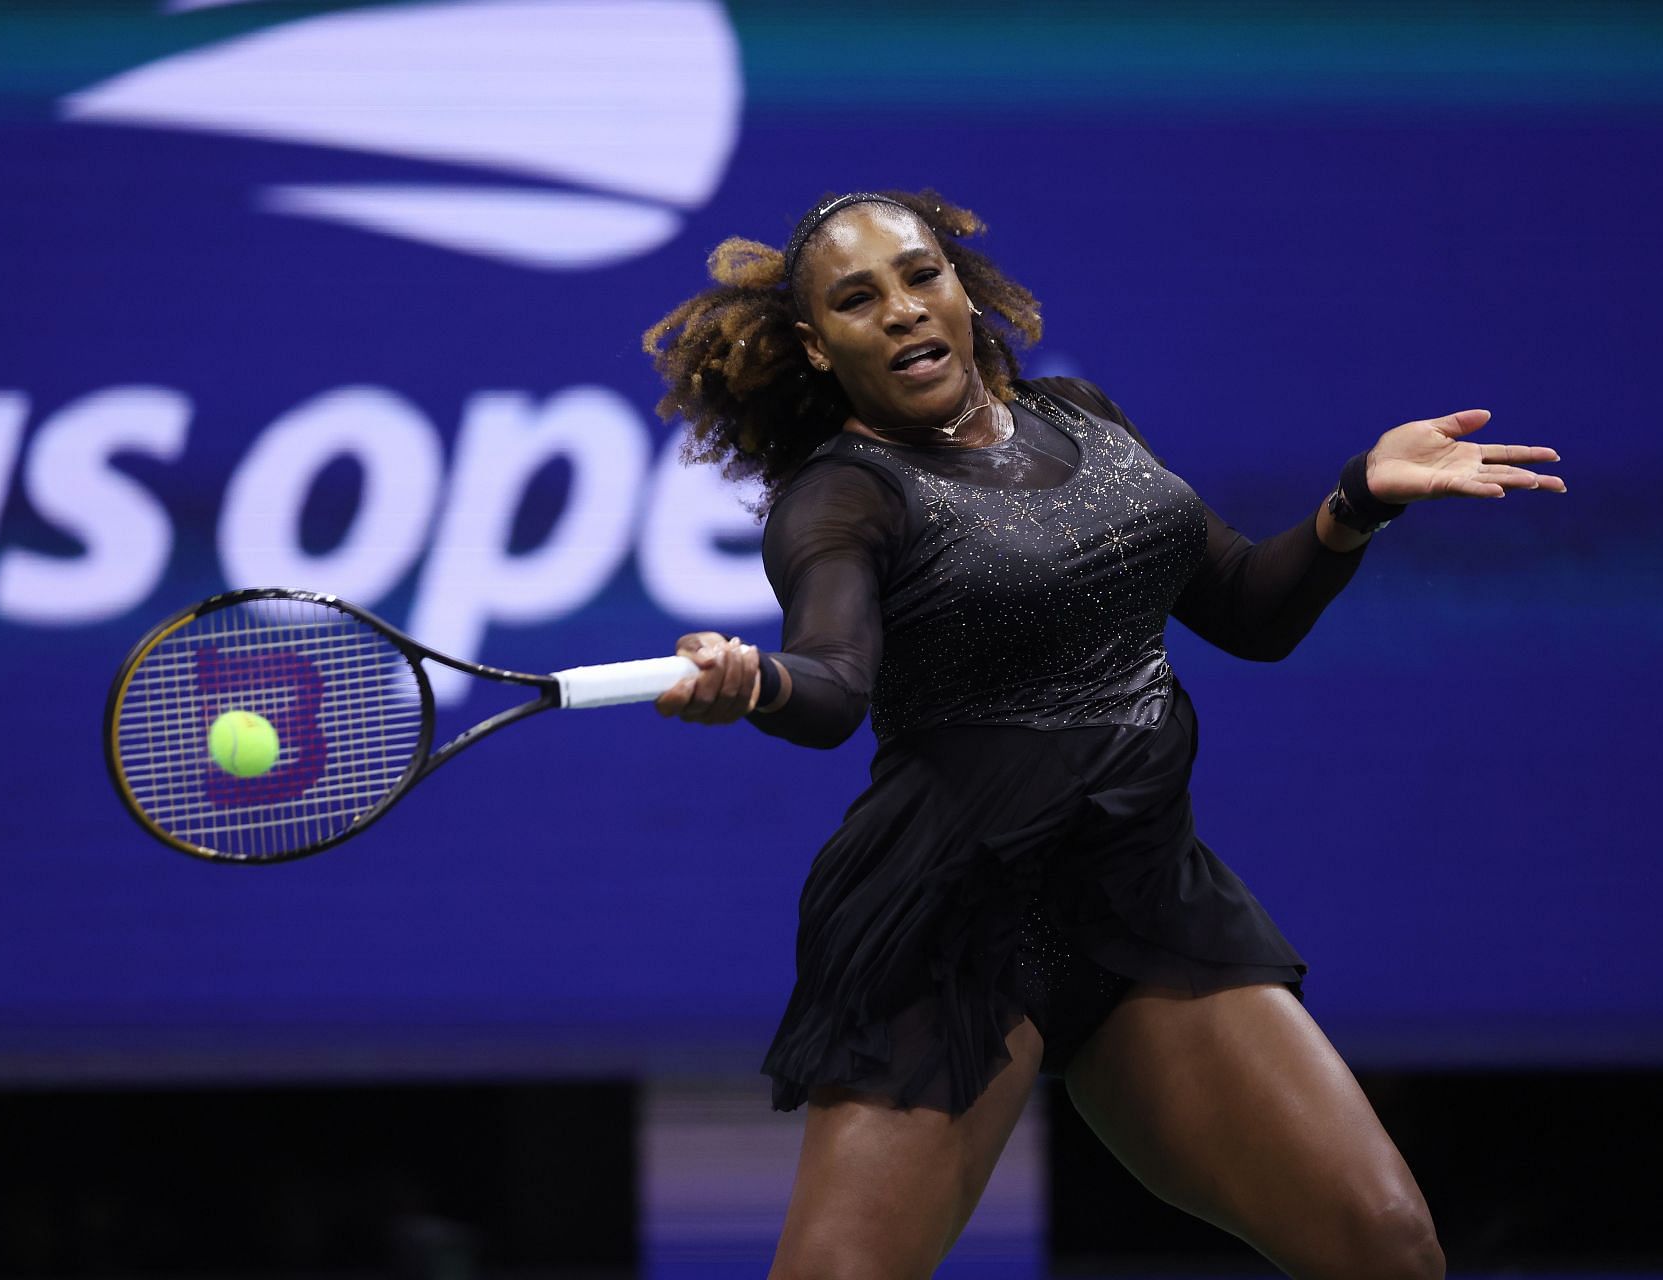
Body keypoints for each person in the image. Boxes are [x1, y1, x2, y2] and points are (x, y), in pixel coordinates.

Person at [640, 190, 1565, 1280]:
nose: (900, 310)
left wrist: (1357, 499)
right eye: (857, 298)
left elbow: (1247, 609)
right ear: (817, 342)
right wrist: (755, 682)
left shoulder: (1080, 414)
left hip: (1142, 906)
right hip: (954, 933)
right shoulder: (842, 497)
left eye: (919, 274)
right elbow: (835, 683)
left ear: (960, 288)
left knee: (1387, 1245)